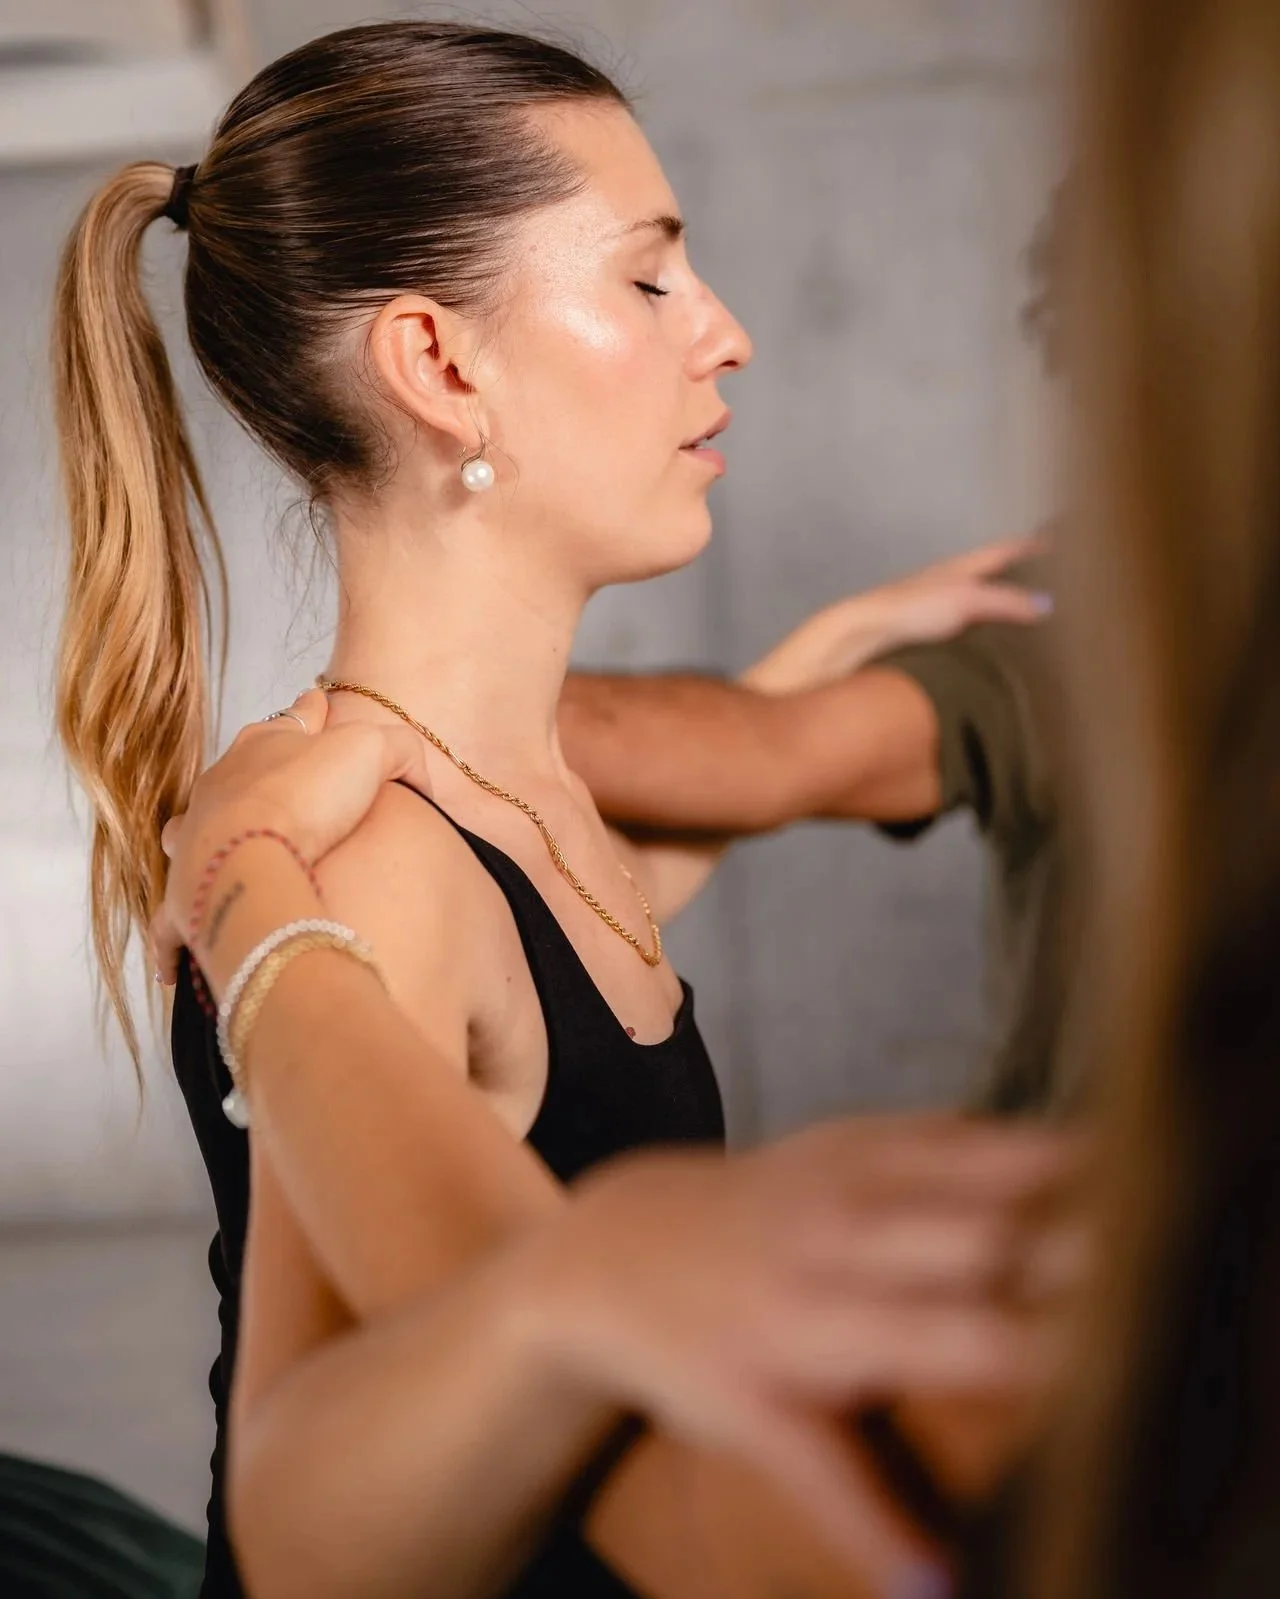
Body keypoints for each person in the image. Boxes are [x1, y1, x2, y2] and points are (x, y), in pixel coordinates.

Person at [50, 19, 1069, 1599]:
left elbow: (597, 939)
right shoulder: (381, 862)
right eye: (650, 278)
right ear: (442, 367)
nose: (722, 333)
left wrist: (829, 656)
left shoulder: (499, 802)